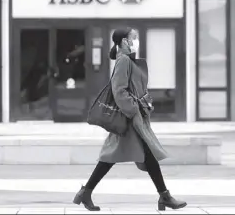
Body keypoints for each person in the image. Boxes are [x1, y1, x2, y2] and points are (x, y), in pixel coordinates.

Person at [73, 27, 187, 211]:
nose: (136, 40)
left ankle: (86, 192)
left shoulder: (127, 60)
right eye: (133, 37)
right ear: (124, 41)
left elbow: (134, 88)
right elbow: (119, 90)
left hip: (133, 117)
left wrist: (143, 104)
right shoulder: (123, 60)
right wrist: (133, 109)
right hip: (130, 118)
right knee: (133, 156)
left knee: (122, 157)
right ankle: (164, 196)